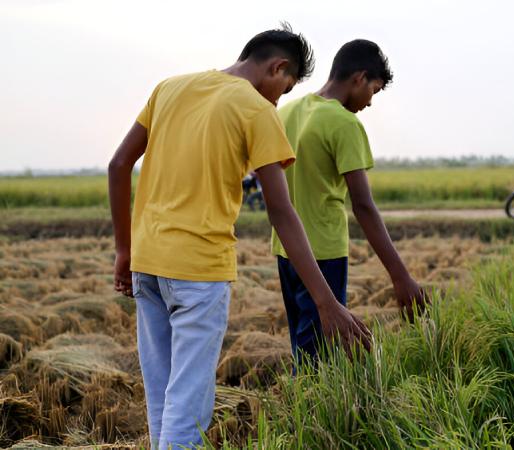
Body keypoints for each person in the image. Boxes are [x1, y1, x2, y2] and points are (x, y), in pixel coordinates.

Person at [108, 25, 371, 450]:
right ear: (277, 67)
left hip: (148, 265)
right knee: (187, 406)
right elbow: (282, 213)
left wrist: (124, 250)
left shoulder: (169, 88)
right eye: (284, 89)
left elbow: (119, 165)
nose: (278, 100)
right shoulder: (255, 108)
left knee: (162, 401)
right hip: (199, 272)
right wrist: (326, 302)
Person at [271, 39, 427, 368]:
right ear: (359, 78)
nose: (371, 102)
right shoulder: (344, 123)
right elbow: (364, 206)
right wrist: (401, 278)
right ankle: (319, 417)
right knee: (325, 356)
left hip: (286, 251)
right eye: (375, 89)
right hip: (324, 253)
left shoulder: (286, 112)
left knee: (305, 347)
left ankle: (305, 411)